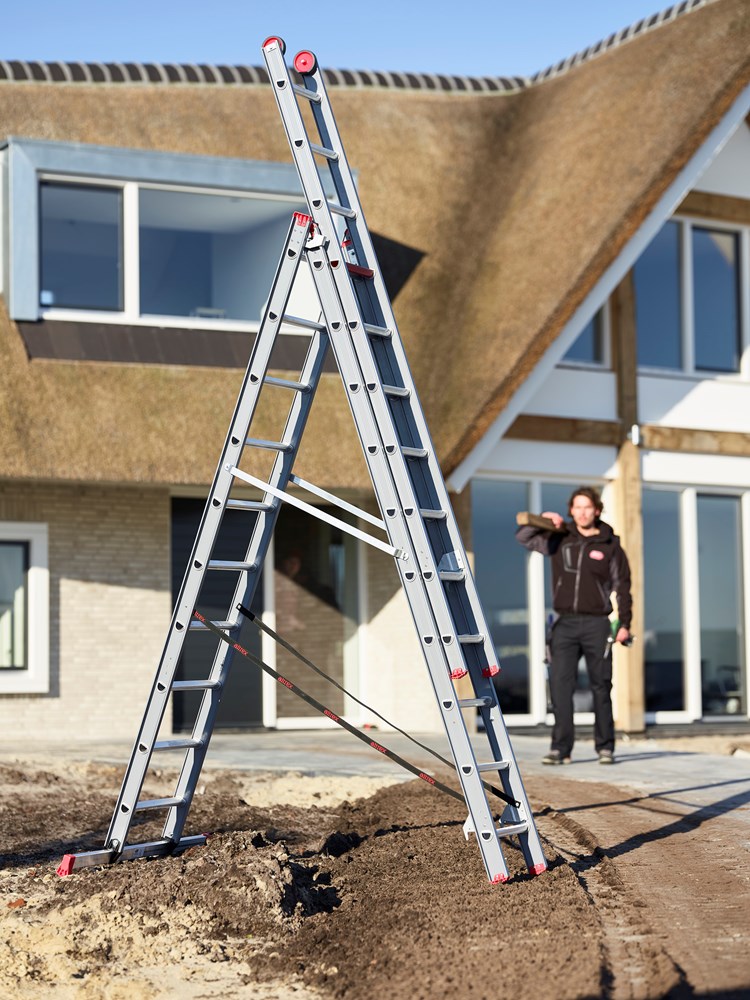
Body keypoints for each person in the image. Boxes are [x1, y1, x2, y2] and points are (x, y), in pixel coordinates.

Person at [516, 486, 632, 766]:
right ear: (571, 510)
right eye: (577, 507)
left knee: (601, 686)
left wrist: (624, 624)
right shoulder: (560, 537)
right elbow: (524, 538)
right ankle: (560, 749)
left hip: (597, 624)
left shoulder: (610, 545)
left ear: (597, 510)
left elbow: (623, 588)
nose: (582, 512)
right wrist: (543, 520)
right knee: (560, 686)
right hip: (564, 623)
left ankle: (605, 747)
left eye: (587, 507)